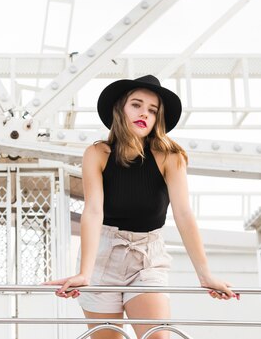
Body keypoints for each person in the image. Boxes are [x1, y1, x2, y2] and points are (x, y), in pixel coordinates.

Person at [45, 75, 238, 339]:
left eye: (152, 110)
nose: (144, 114)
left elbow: (183, 214)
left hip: (148, 258)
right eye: (136, 105)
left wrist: (205, 275)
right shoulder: (98, 153)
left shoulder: (171, 157)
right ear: (120, 109)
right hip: (103, 255)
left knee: (158, 336)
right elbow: (93, 211)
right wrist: (85, 273)